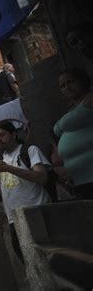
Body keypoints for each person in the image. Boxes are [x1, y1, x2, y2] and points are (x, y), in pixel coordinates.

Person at [0, 120, 51, 261]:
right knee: (23, 255)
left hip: (37, 210)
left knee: (47, 254)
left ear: (14, 134)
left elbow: (41, 177)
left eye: (2, 135)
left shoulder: (29, 150)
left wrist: (8, 168)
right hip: (14, 217)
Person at [54, 68, 93, 199]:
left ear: (83, 81)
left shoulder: (90, 100)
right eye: (63, 86)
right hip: (79, 179)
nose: (67, 87)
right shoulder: (71, 108)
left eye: (71, 82)